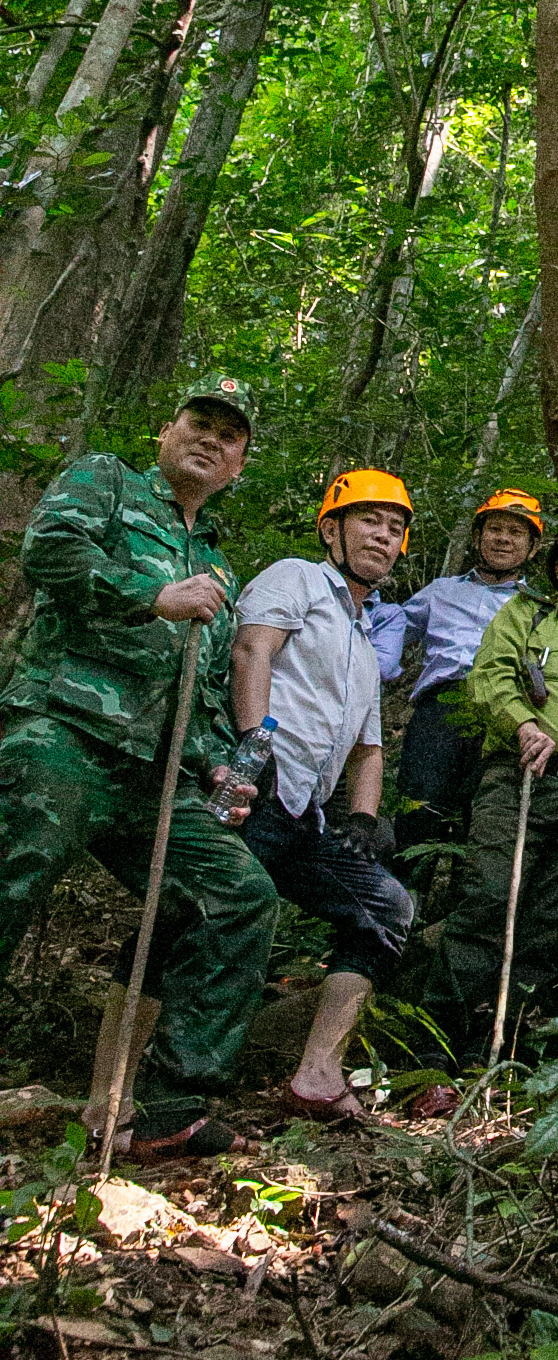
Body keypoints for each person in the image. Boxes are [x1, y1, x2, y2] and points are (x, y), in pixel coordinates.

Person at [0, 376, 278, 1160]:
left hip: (158, 777)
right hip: (68, 730)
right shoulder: (108, 484)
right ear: (168, 429)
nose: (211, 439)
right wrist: (150, 592)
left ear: (238, 467)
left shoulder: (219, 568)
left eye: (230, 437)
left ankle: (169, 1105)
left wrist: (225, 764)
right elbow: (50, 549)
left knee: (240, 894)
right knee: (18, 867)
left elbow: (213, 685)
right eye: (200, 422)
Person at [417, 517, 558, 1087]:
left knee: (550, 924)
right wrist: (521, 725)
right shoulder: (524, 615)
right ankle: (435, 1050)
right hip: (520, 779)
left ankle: (503, 1048)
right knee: (489, 900)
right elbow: (488, 677)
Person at [231, 468, 416, 1120]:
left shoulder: (366, 644)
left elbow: (370, 748)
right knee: (194, 919)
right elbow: (253, 648)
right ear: (331, 528)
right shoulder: (296, 578)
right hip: (253, 788)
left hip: (306, 812)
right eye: (371, 521)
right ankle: (116, 1088)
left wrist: (364, 819)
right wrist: (254, 749)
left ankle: (317, 1073)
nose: (384, 537)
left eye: (395, 529)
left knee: (385, 908)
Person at [372, 488, 544, 881]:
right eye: (495, 529)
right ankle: (403, 901)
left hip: (504, 714)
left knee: (484, 816)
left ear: (533, 547)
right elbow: (392, 629)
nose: (502, 538)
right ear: (478, 537)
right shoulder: (442, 592)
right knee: (420, 806)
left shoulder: (539, 607)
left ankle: (459, 910)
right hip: (440, 709)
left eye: (515, 533)